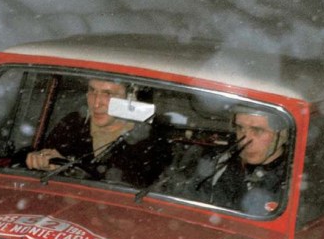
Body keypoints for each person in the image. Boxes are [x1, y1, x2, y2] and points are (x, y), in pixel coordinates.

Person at [25, 78, 169, 187]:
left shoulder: (151, 141)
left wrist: (68, 170)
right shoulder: (73, 124)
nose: (96, 103)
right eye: (92, 91)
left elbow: (133, 190)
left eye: (108, 94)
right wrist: (39, 160)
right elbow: (27, 164)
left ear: (131, 99)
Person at [204, 109, 289, 214]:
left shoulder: (293, 182)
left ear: (282, 135)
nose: (245, 141)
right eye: (240, 128)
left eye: (258, 131)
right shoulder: (219, 164)